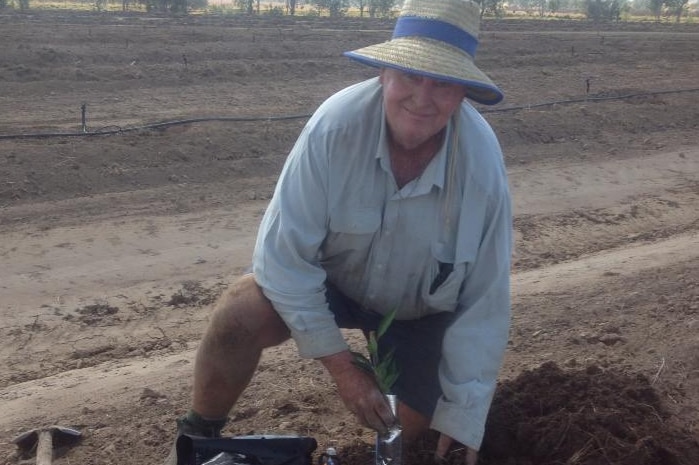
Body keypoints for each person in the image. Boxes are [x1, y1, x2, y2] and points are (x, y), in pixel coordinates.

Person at [165, 1, 512, 464]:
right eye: (410, 76)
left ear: (463, 93)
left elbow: (484, 303)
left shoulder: (481, 166)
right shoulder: (334, 128)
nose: (423, 99)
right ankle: (195, 437)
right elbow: (283, 260)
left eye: (444, 83)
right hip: (337, 284)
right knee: (242, 310)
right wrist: (344, 369)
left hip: (419, 313)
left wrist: (466, 417)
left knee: (409, 429)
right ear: (385, 73)